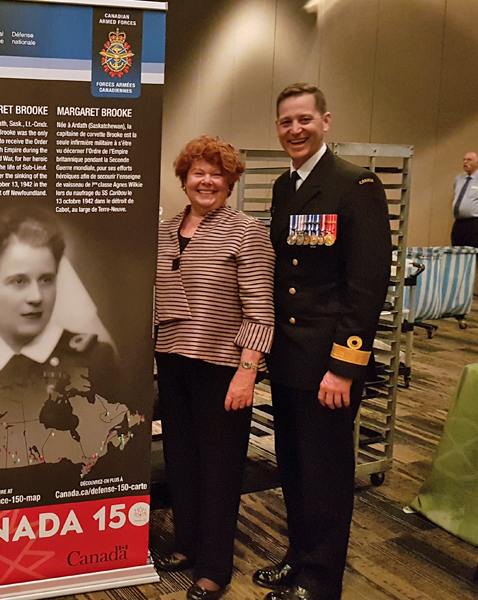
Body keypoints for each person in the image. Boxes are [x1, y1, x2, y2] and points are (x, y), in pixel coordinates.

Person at [254, 84, 391, 600]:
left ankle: (321, 580)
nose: (296, 129)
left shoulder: (356, 184)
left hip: (329, 362)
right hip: (290, 355)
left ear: (326, 121)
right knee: (292, 465)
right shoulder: (283, 188)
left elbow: (366, 283)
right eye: (286, 121)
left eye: (305, 119)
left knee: (327, 474)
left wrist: (346, 366)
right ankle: (299, 557)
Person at [154, 136, 275, 600]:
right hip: (172, 360)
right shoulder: (165, 231)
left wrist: (248, 371)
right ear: (184, 179)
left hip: (223, 367)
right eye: (197, 172)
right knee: (181, 460)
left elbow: (260, 308)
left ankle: (214, 567)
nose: (206, 181)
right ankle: (186, 544)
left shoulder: (246, 230)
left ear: (230, 181)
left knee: (220, 468)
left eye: (216, 173)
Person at [0, 209, 120, 496]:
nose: (36, 297)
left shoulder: (95, 359)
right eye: (19, 281)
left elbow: (111, 461)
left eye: (46, 279)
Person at [450, 152, 478, 249]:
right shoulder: (459, 179)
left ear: (477, 163)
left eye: (469, 160)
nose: (465, 162)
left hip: (476, 222)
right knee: (456, 250)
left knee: (471, 251)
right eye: (464, 160)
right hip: (459, 222)